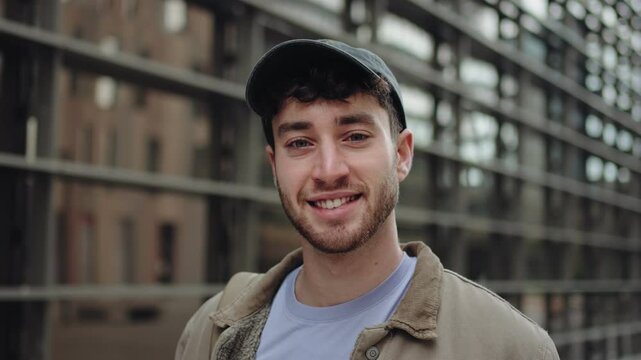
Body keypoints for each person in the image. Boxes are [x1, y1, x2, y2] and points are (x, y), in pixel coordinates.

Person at [175, 39, 560, 360]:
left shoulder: (506, 347)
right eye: (300, 143)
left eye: (355, 136)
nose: (328, 170)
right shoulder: (209, 333)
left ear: (402, 155)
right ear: (275, 165)